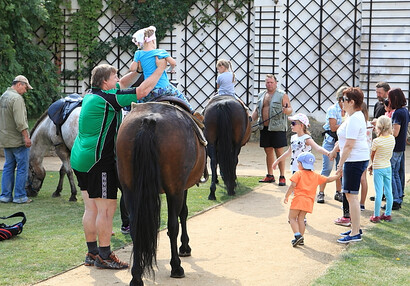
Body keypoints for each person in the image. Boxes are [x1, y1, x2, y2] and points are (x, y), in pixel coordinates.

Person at [71, 59, 166, 269]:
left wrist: (137, 70)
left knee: (91, 209)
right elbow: (142, 91)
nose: (117, 79)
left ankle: (92, 252)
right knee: (106, 209)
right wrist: (160, 68)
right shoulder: (108, 99)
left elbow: (122, 85)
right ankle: (104, 256)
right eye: (114, 77)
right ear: (105, 82)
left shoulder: (92, 94)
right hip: (99, 161)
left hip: (80, 158)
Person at [329, 87, 369, 243]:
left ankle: (355, 232)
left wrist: (340, 164)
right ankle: (354, 228)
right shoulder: (352, 116)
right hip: (354, 158)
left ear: (352, 102)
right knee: (350, 195)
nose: (342, 102)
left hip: (355, 159)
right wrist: (334, 151)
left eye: (344, 100)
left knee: (351, 196)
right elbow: (343, 140)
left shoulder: (354, 118)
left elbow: (350, 144)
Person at [130, 25, 194, 112]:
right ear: (153, 41)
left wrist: (139, 66)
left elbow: (132, 68)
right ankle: (193, 113)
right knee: (181, 97)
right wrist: (172, 68)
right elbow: (173, 63)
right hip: (164, 88)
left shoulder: (138, 54)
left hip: (149, 90)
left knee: (136, 104)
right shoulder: (160, 52)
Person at [284, 152, 340, 247]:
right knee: (301, 219)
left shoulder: (298, 173)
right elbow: (328, 179)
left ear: (301, 164)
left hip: (298, 199)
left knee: (292, 218)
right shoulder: (316, 175)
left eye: (298, 163)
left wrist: (286, 196)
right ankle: (301, 238)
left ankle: (297, 235)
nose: (298, 165)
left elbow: (292, 186)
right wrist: (338, 175)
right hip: (309, 201)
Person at [251, 74, 293, 186]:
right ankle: (270, 175)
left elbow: (290, 109)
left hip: (277, 127)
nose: (269, 84)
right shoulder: (261, 95)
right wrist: (250, 121)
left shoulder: (282, 95)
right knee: (268, 151)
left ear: (276, 83)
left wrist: (286, 110)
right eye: (267, 82)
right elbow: (257, 111)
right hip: (264, 127)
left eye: (271, 82)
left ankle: (282, 176)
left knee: (279, 152)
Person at [0, 75, 33, 204]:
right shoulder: (17, 99)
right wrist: (26, 137)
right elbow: (20, 122)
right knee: (22, 168)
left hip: (6, 139)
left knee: (8, 166)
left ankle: (5, 195)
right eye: (25, 88)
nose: (25, 91)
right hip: (17, 140)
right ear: (19, 84)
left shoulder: (3, 96)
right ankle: (19, 196)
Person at [317, 85, 347, 204]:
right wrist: (348, 124)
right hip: (330, 142)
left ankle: (338, 192)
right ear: (340, 99)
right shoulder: (332, 109)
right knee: (327, 168)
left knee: (340, 169)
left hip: (343, 143)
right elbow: (333, 128)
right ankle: (321, 193)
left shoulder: (350, 111)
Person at [368, 115, 395, 222]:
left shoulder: (376, 141)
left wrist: (372, 165)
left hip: (378, 168)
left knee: (378, 192)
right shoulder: (392, 139)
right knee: (389, 191)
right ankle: (388, 214)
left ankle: (376, 215)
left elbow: (372, 155)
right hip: (388, 166)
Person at [387, 88, 409, 210]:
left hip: (395, 147)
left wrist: (384, 128)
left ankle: (395, 199)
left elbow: (395, 133)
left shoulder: (397, 113)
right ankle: (398, 196)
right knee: (395, 173)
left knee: (392, 173)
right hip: (400, 147)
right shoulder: (405, 111)